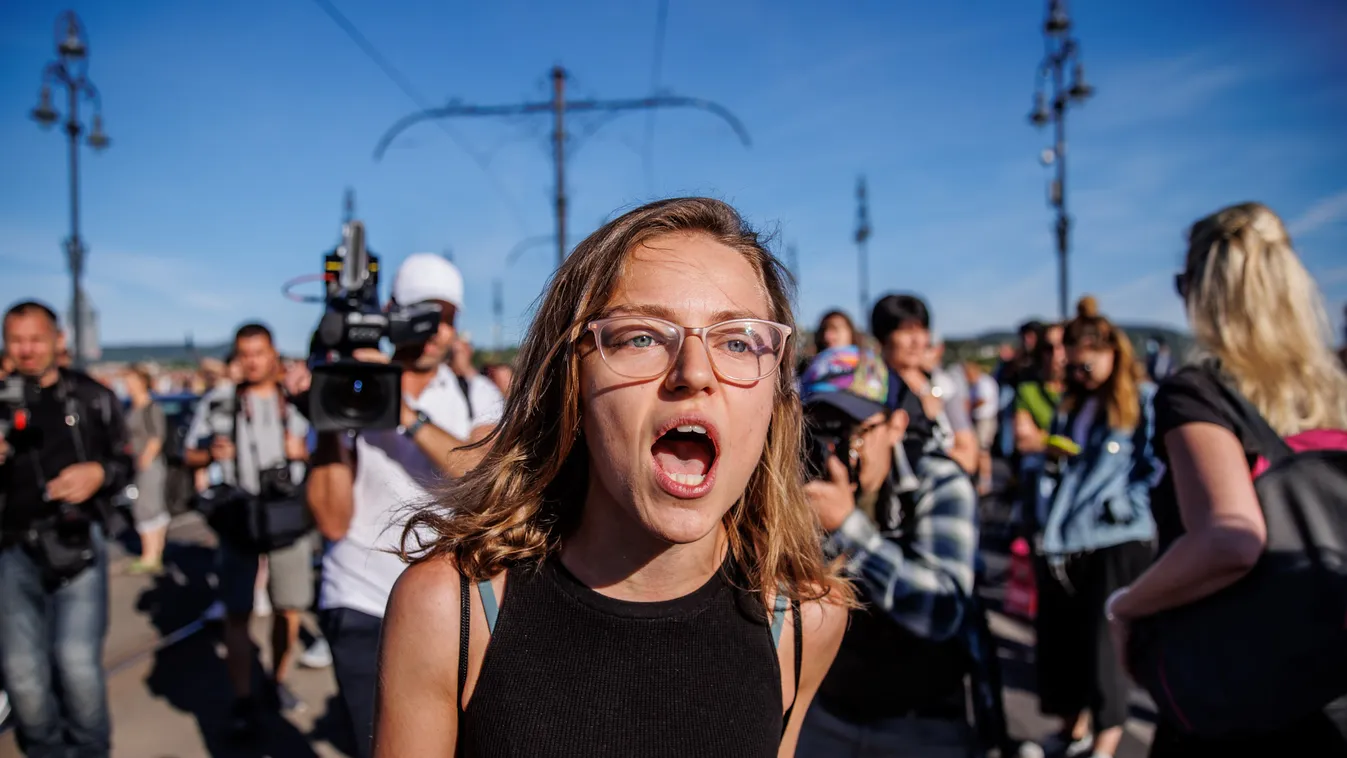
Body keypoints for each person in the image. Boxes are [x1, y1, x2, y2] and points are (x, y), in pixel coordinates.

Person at [372, 197, 850, 757]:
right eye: (642, 336)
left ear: (776, 395)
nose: (694, 373)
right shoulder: (452, 613)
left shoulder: (803, 623)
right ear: (570, 381)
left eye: (739, 341)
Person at [1106, 202, 1347, 756]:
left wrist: (1126, 604)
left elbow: (1228, 538)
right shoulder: (1330, 391)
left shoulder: (1201, 393)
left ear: (1203, 290)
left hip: (1236, 688)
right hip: (1329, 682)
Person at [304, 252, 505, 758]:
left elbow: (481, 475)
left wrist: (402, 412)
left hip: (448, 605)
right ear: (391, 313)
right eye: (422, 314)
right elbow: (330, 521)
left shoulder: (473, 392)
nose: (434, 331)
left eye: (447, 317)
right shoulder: (347, 389)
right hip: (360, 599)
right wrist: (331, 422)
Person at [797, 346, 985, 757]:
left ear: (896, 424)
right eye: (823, 427)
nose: (839, 446)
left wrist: (846, 529)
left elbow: (942, 610)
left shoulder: (937, 482)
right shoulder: (800, 482)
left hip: (920, 722)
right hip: (826, 711)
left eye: (856, 428)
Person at [0, 301, 132, 757]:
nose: (27, 350)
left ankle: (91, 751)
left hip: (78, 542)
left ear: (59, 341)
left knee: (76, 664)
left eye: (36, 339)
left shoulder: (92, 396)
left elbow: (125, 462)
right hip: (12, 547)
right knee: (22, 674)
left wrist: (98, 473)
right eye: (16, 340)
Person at [1032, 296, 1159, 758]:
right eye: (1075, 359)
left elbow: (1157, 467)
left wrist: (1122, 504)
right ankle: (1074, 730)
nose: (1081, 367)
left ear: (1112, 353)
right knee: (1063, 645)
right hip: (1065, 539)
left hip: (1114, 538)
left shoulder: (1141, 402)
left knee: (1105, 649)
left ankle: (1105, 745)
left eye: (1089, 358)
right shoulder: (1072, 405)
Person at [184, 323, 313, 739]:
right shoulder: (219, 403)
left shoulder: (295, 401)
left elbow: (331, 448)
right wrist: (209, 453)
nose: (253, 361)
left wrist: (303, 450)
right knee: (236, 613)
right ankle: (244, 697)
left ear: (273, 353)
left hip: (285, 516)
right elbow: (187, 454)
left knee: (287, 607)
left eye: (259, 352)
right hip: (238, 515)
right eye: (245, 354)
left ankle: (275, 680)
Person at [871, 294, 980, 476]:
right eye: (905, 331)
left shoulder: (943, 384)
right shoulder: (873, 387)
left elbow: (969, 455)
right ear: (884, 337)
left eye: (922, 330)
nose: (916, 341)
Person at [1013, 322, 1066, 534]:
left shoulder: (1084, 392)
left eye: (1062, 345)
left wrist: (1044, 437)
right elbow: (1024, 441)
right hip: (1044, 482)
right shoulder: (1028, 390)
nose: (1056, 355)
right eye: (1049, 348)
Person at [123, 362, 169, 574]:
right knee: (146, 508)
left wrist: (146, 457)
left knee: (147, 508)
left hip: (149, 465)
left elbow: (157, 436)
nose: (127, 385)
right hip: (137, 464)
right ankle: (152, 553)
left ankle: (152, 554)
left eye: (131, 381)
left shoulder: (152, 407)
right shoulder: (132, 407)